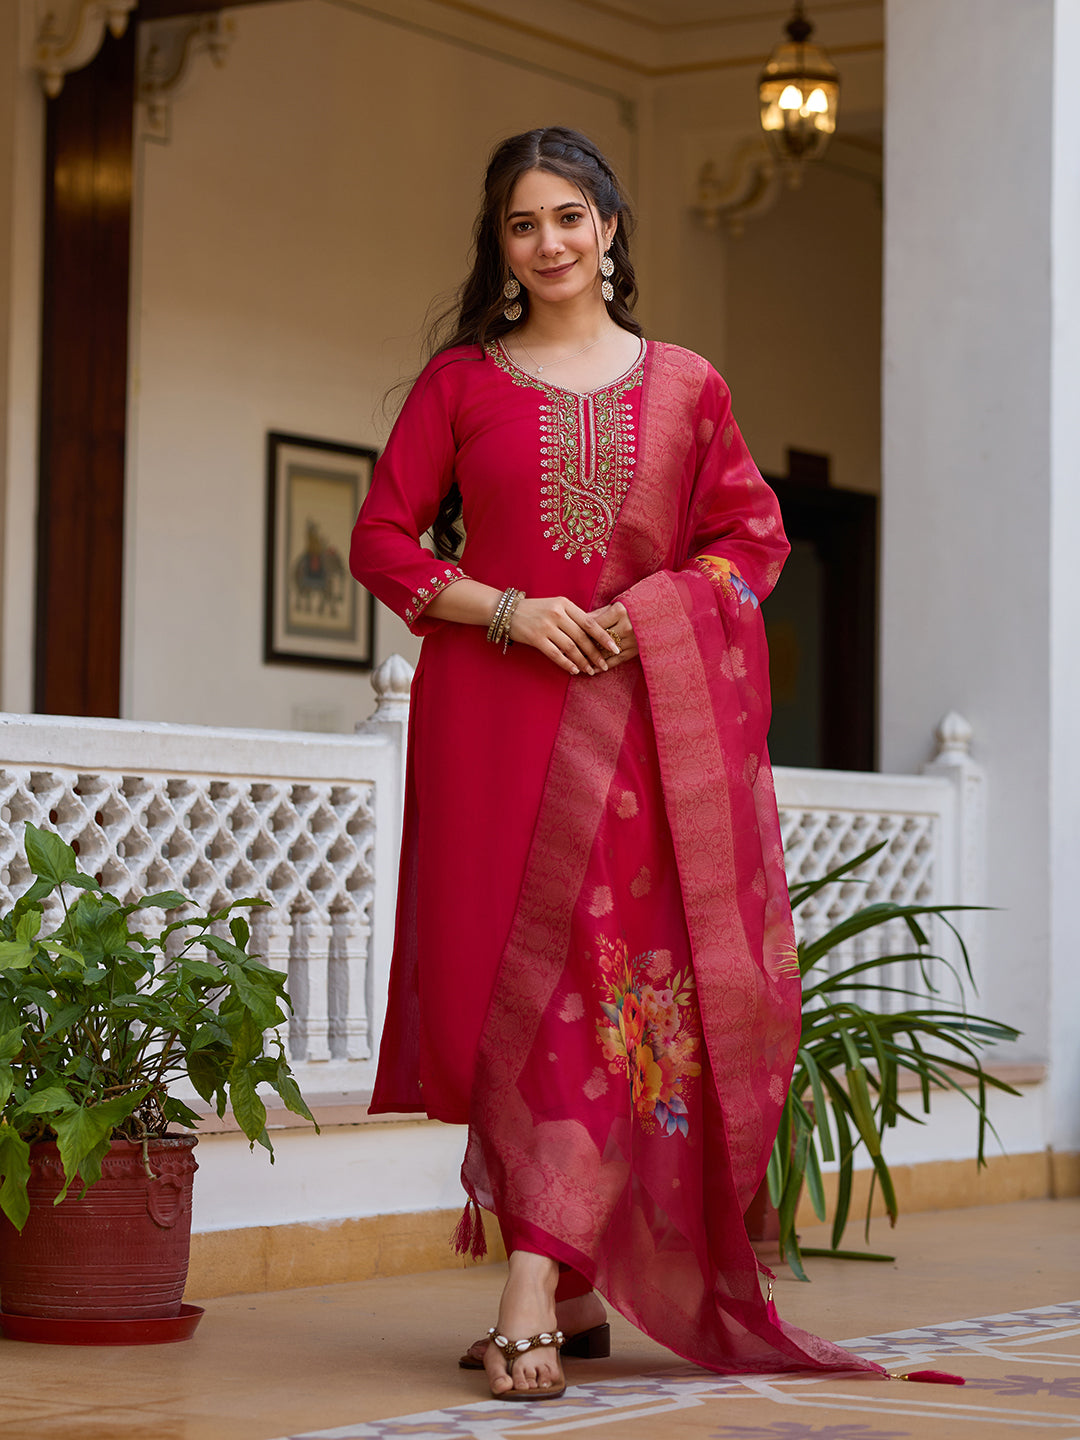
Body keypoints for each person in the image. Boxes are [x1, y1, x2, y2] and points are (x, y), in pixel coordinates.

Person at [350, 126, 888, 1402]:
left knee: (616, 994)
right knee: (513, 993)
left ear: (611, 228)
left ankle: (534, 1284)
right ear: (501, 243)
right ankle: (574, 1281)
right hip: (494, 719)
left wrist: (651, 616)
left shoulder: (692, 388)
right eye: (524, 224)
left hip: (644, 726)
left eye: (571, 218)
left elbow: (748, 541)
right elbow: (381, 539)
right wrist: (503, 608)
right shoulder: (459, 386)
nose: (549, 244)